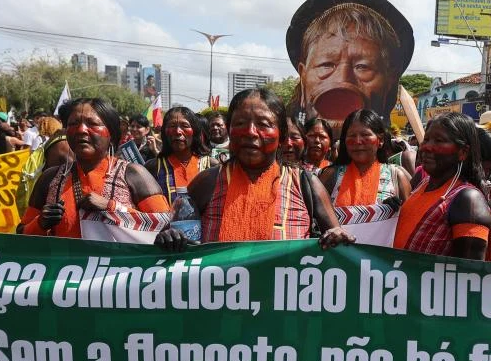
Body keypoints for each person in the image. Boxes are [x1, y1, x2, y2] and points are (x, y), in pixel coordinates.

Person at [155, 88, 354, 248]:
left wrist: (337, 235)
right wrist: (169, 237)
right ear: (230, 131)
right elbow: (169, 233)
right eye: (240, 123)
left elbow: (337, 243)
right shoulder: (207, 182)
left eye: (263, 124)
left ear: (282, 136)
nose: (250, 132)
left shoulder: (305, 184)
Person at [18, 98, 171, 239]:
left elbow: (165, 226)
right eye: (73, 124)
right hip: (65, 268)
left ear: (111, 133)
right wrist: (40, 223)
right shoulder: (50, 178)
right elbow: (21, 234)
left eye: (92, 124)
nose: (81, 130)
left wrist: (110, 207)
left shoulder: (134, 174)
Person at [287, 0, 414, 130]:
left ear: (390, 80)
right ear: (303, 77)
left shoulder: (398, 152)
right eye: (327, 65)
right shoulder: (289, 149)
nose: (342, 80)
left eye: (363, 67)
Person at [394, 112, 491, 259]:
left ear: (463, 152)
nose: (426, 147)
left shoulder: (468, 199)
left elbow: (470, 272)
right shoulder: (422, 184)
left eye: (439, 141)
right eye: (426, 139)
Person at [319, 109, 411, 206]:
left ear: (381, 140)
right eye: (352, 136)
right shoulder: (330, 176)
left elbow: (409, 217)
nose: (358, 141)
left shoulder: (396, 176)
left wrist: (388, 211)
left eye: (365, 135)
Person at [145, 106, 218, 203]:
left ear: (194, 132)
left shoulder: (211, 166)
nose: (178, 131)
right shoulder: (153, 167)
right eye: (172, 126)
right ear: (165, 132)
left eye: (185, 126)